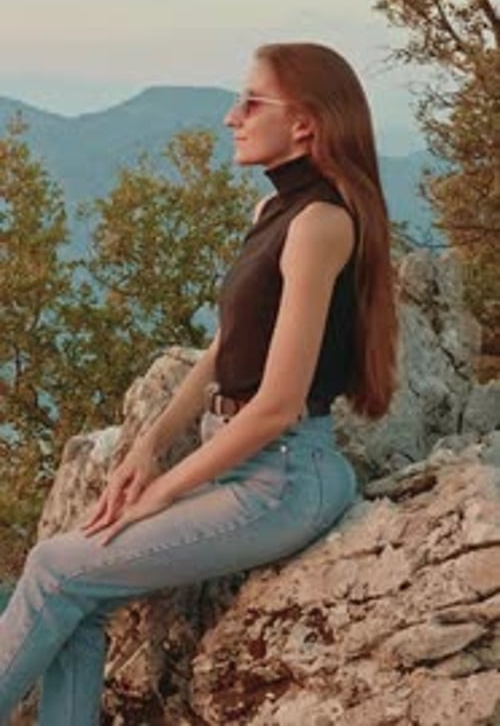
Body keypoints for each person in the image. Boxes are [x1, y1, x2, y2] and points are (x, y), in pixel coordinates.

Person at [0, 42, 398, 724]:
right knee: (79, 594)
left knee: (54, 567)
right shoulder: (271, 216)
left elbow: (275, 406)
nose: (229, 117)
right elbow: (224, 350)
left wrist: (163, 492)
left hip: (283, 479)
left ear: (304, 123)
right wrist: (151, 443)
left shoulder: (321, 224)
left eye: (251, 102)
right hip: (249, 467)